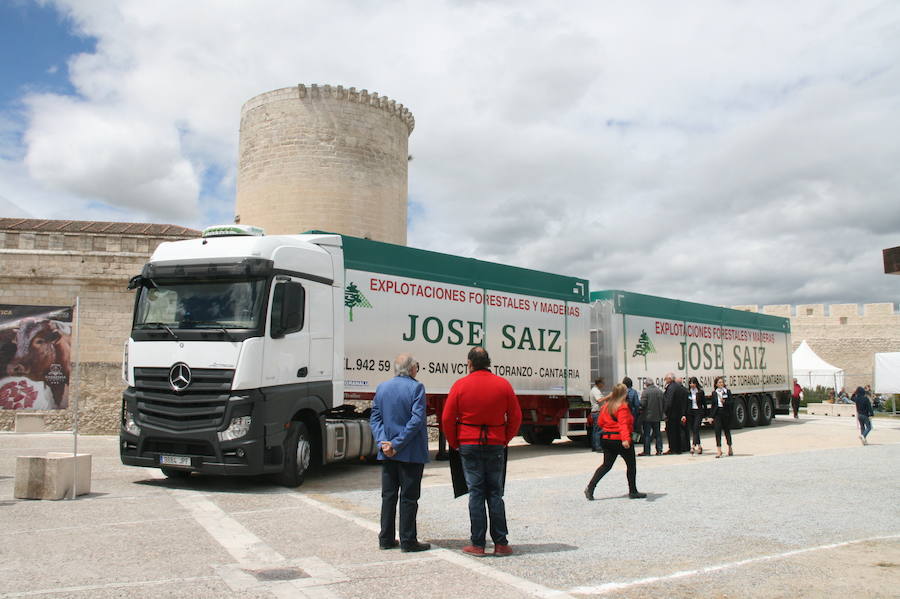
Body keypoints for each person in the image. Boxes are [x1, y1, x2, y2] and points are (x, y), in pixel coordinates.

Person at [442, 347, 522, 557]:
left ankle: (478, 544)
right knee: (495, 493)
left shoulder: (460, 385)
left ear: (469, 363)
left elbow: (447, 418)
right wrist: (504, 438)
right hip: (495, 442)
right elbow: (516, 417)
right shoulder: (503, 385)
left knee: (476, 493)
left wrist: (455, 442)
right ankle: (501, 543)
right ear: (488, 362)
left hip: (469, 443)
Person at [369, 354, 431, 552]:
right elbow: (416, 420)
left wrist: (384, 443)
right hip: (410, 452)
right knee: (409, 497)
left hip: (388, 453)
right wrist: (397, 444)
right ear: (411, 369)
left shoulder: (382, 388)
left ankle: (386, 538)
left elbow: (375, 418)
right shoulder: (417, 388)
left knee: (388, 496)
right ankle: (408, 540)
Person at [584, 383, 646, 500]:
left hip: (607, 439)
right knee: (631, 465)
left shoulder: (606, 406)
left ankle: (590, 487)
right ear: (623, 393)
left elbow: (600, 422)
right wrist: (625, 439)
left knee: (606, 465)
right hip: (620, 439)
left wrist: (609, 427)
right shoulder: (622, 406)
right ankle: (633, 491)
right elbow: (623, 424)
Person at [638, 378, 664, 456]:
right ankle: (659, 450)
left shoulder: (645, 392)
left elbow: (643, 404)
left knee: (647, 434)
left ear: (646, 384)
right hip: (657, 416)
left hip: (647, 417)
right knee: (658, 434)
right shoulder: (659, 391)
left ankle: (647, 451)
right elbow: (663, 403)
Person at [663, 372, 688, 454]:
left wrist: (665, 412)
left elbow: (669, 402)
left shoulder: (670, 388)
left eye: (666, 379)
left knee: (671, 432)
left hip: (671, 414)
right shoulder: (678, 386)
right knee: (677, 431)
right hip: (678, 413)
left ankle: (673, 449)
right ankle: (678, 449)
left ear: (670, 379)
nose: (665, 380)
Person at [709, 376, 734, 457]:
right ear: (716, 384)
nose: (721, 384)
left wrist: (725, 402)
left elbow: (731, 402)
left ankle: (730, 447)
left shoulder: (727, 391)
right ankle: (719, 450)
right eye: (719, 382)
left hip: (726, 413)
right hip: (717, 413)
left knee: (727, 431)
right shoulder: (714, 393)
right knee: (717, 431)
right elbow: (713, 405)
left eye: (722, 382)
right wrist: (711, 416)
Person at [686, 376, 706, 455]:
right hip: (691, 412)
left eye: (693, 383)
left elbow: (704, 403)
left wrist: (706, 414)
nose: (692, 385)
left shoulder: (700, 392)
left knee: (696, 428)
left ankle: (693, 446)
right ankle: (699, 446)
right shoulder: (688, 392)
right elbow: (686, 403)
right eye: (690, 383)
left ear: (696, 383)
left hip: (698, 411)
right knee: (694, 430)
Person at [588, 378, 605, 451]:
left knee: (595, 430)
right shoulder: (596, 391)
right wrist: (608, 397)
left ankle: (594, 446)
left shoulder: (594, 390)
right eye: (603, 383)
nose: (603, 385)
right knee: (598, 430)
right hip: (597, 412)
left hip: (595, 412)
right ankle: (597, 446)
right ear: (599, 383)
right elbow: (599, 400)